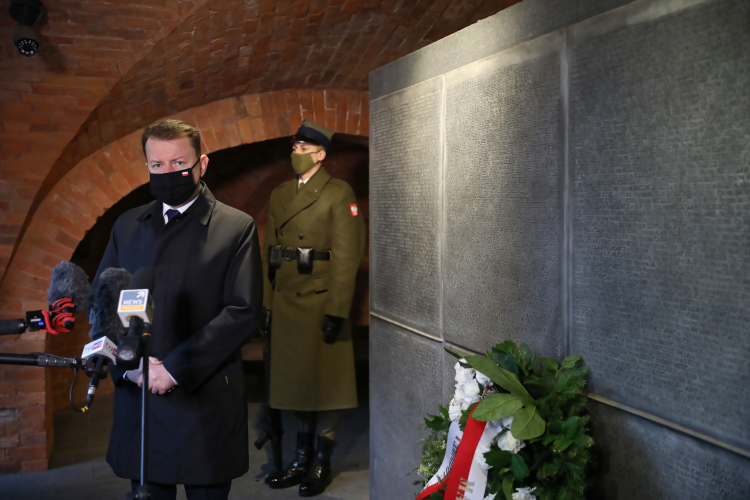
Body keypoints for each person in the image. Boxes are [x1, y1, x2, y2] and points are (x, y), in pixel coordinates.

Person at [88, 119, 263, 500]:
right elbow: (105, 303)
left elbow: (242, 311)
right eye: (157, 165)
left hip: (204, 398)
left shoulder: (236, 227)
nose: (168, 173)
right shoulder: (127, 225)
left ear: (202, 164)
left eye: (178, 163)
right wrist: (129, 367)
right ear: (147, 166)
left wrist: (174, 369)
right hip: (141, 397)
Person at [263, 119, 365, 496]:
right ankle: (299, 459)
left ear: (321, 155)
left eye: (304, 150)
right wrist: (267, 303)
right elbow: (269, 254)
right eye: (294, 148)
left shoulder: (339, 194)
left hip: (321, 300)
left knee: (325, 386)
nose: (297, 155)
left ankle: (321, 461)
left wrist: (338, 309)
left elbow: (347, 256)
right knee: (296, 385)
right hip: (288, 300)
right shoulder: (279, 194)